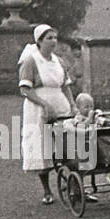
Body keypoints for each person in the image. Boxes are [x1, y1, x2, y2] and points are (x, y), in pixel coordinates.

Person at [19, 24, 75, 205]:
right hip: (38, 108)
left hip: (60, 105)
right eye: (49, 38)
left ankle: (74, 187)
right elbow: (25, 90)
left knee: (68, 146)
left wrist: (72, 105)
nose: (53, 41)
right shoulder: (31, 61)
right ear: (40, 41)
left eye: (55, 38)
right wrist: (44, 104)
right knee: (43, 148)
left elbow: (65, 86)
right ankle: (47, 191)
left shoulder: (59, 62)